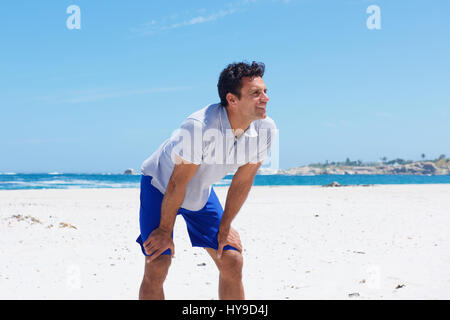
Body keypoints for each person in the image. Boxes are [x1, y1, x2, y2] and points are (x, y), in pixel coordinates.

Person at [136, 61, 277, 300]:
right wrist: (164, 230)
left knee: (231, 259)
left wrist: (225, 226)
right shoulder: (199, 126)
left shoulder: (266, 130)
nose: (265, 98)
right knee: (158, 261)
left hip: (200, 190)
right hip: (161, 185)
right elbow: (177, 183)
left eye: (264, 91)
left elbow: (242, 182)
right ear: (232, 100)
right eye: (256, 93)